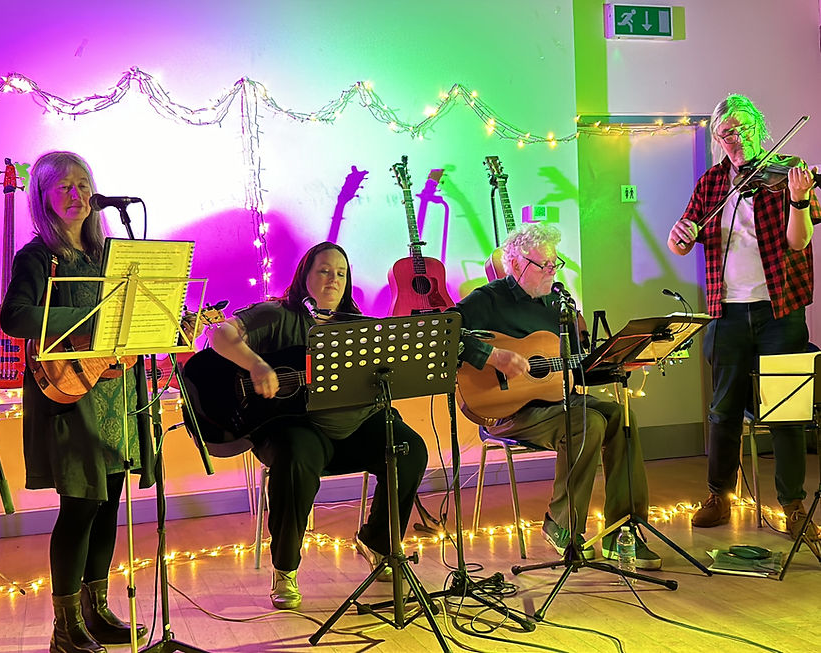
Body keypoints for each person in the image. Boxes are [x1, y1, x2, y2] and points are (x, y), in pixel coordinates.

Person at [207, 241, 429, 610]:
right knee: (296, 456)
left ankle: (378, 542)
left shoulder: (358, 326)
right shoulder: (278, 314)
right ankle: (285, 568)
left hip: (353, 427)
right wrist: (257, 365)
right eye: (324, 271)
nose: (333, 279)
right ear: (305, 276)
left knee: (410, 449)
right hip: (294, 426)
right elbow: (219, 335)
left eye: (341, 273)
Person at [1, 151, 154, 653]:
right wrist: (86, 311)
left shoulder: (109, 254)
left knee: (108, 504)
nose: (76, 193)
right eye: (63, 185)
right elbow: (15, 318)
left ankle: (96, 609)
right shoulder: (35, 256)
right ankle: (64, 628)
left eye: (83, 184)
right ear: (43, 196)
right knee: (80, 507)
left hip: (115, 390)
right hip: (69, 395)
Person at [453, 223, 661, 569]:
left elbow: (574, 369)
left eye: (555, 264)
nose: (552, 271)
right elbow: (445, 332)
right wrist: (493, 357)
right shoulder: (487, 300)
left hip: (557, 401)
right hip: (509, 412)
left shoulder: (559, 302)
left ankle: (622, 530)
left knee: (619, 416)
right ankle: (561, 524)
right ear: (517, 264)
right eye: (543, 265)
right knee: (587, 422)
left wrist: (619, 363)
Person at [667, 93, 821, 545]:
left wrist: (798, 200)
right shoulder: (712, 183)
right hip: (726, 311)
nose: (733, 139)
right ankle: (720, 495)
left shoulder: (788, 170)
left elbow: (798, 243)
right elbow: (683, 240)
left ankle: (792, 503)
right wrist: (680, 237)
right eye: (723, 133)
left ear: (757, 127)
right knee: (722, 410)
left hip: (781, 311)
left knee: (787, 411)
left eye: (740, 128)